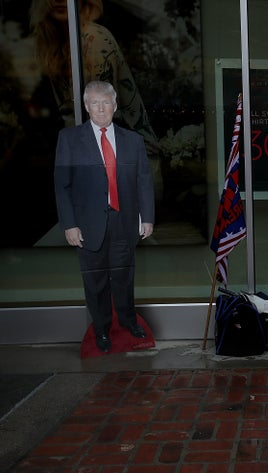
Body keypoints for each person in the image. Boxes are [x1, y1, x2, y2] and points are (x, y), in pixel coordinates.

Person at [55, 80, 155, 353]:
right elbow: (62, 185)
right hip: (88, 225)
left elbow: (143, 181)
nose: (101, 108)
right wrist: (70, 225)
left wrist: (146, 217)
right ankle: (101, 329)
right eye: (95, 103)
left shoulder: (132, 140)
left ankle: (127, 321)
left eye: (106, 102)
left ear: (115, 105)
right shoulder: (70, 139)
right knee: (96, 280)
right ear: (87, 107)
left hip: (123, 221)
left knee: (124, 277)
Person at [30, 0, 162, 199]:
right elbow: (68, 115)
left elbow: (104, 121)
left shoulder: (94, 38)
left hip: (129, 171)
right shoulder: (53, 44)